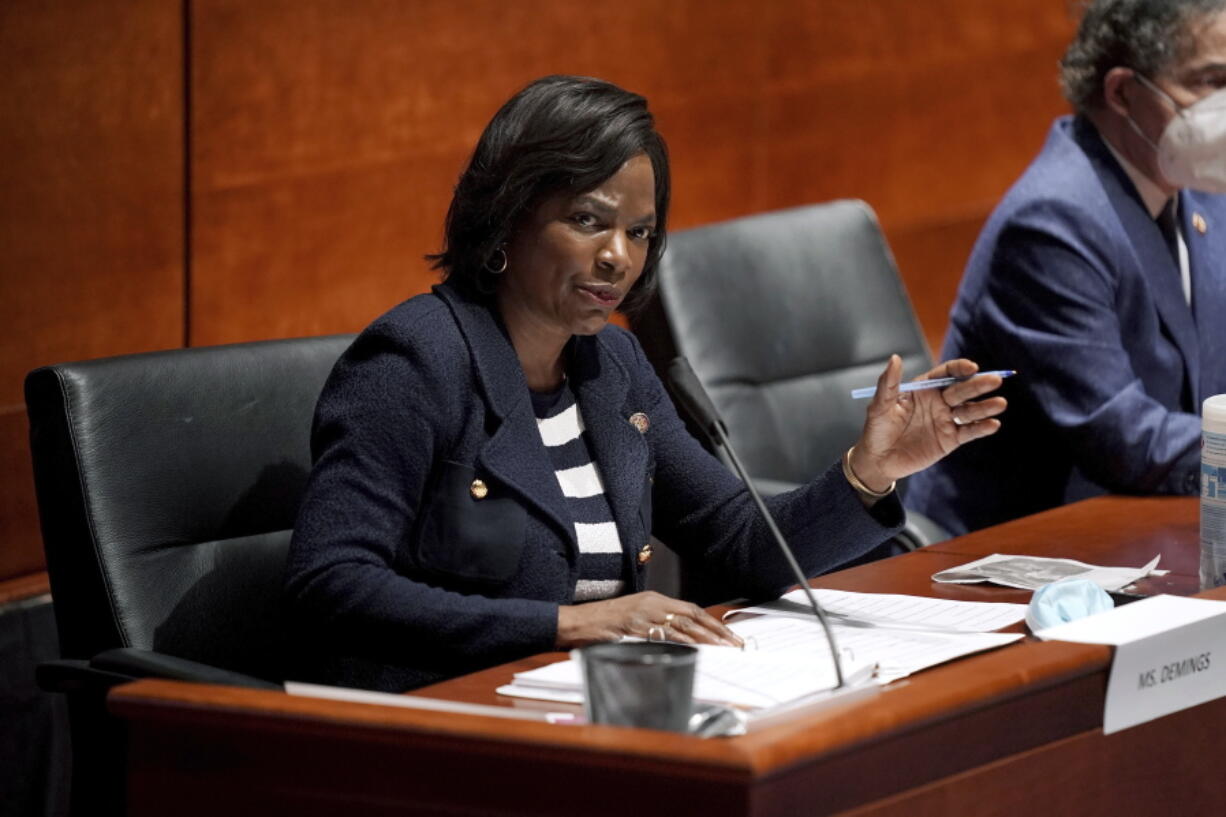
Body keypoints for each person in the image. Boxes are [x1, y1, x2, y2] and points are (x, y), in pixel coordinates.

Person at [284, 75, 1006, 692]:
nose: (617, 258)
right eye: (588, 221)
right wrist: (564, 623)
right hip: (446, 721)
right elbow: (331, 582)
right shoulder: (416, 362)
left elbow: (739, 541)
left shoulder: (612, 369)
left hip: (599, 709)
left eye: (640, 232)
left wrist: (868, 471)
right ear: (506, 217)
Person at [907, 0, 1226, 536]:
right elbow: (1122, 437)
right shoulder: (1053, 220)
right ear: (1123, 92)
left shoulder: (1200, 188)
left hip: (1150, 527)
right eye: (1210, 82)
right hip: (1012, 556)